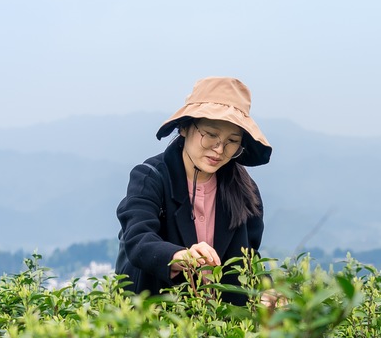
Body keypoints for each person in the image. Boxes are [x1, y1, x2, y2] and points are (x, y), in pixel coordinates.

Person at [115, 77, 271, 305]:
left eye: (232, 140)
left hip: (222, 327)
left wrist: (267, 289)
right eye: (210, 134)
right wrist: (179, 256)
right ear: (184, 127)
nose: (219, 149)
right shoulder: (151, 177)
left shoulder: (244, 190)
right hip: (161, 322)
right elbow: (138, 239)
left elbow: (249, 257)